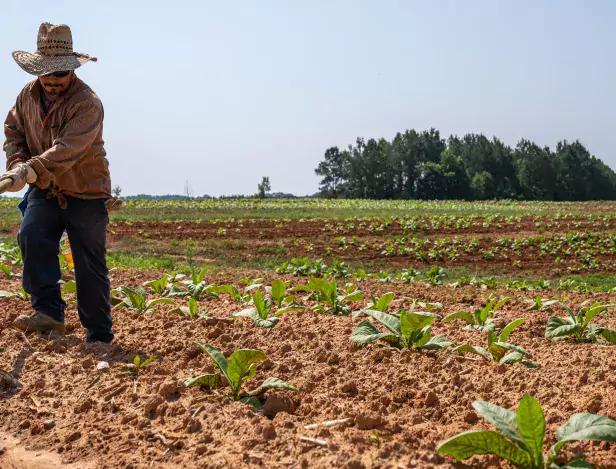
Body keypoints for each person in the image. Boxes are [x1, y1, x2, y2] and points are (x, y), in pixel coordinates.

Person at [0, 22, 120, 344]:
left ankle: (99, 335)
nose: (53, 81)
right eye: (47, 74)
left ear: (71, 71)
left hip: (86, 192)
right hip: (46, 189)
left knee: (88, 263)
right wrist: (15, 165)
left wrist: (28, 170)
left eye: (61, 74)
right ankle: (49, 314)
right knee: (31, 235)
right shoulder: (26, 96)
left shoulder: (87, 103)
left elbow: (67, 149)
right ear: (38, 71)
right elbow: (14, 132)